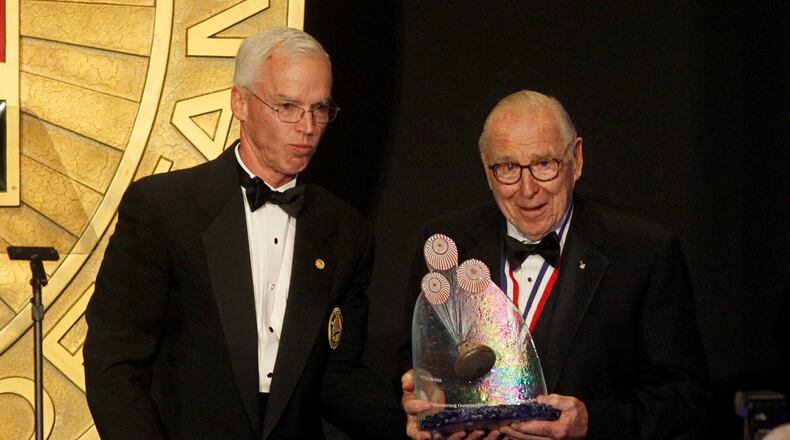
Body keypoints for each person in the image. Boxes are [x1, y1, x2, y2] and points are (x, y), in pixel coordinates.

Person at [84, 27, 403, 439]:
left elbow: (337, 374)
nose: (308, 126)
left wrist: (417, 425)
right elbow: (113, 363)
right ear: (240, 103)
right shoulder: (163, 209)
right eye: (287, 106)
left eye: (320, 109)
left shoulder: (345, 231)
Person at [399, 90, 709, 439]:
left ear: (576, 159)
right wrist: (421, 395)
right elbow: (414, 359)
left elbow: (684, 396)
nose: (527, 189)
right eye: (508, 168)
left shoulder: (643, 252)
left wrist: (590, 422)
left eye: (544, 164)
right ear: (487, 171)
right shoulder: (445, 245)